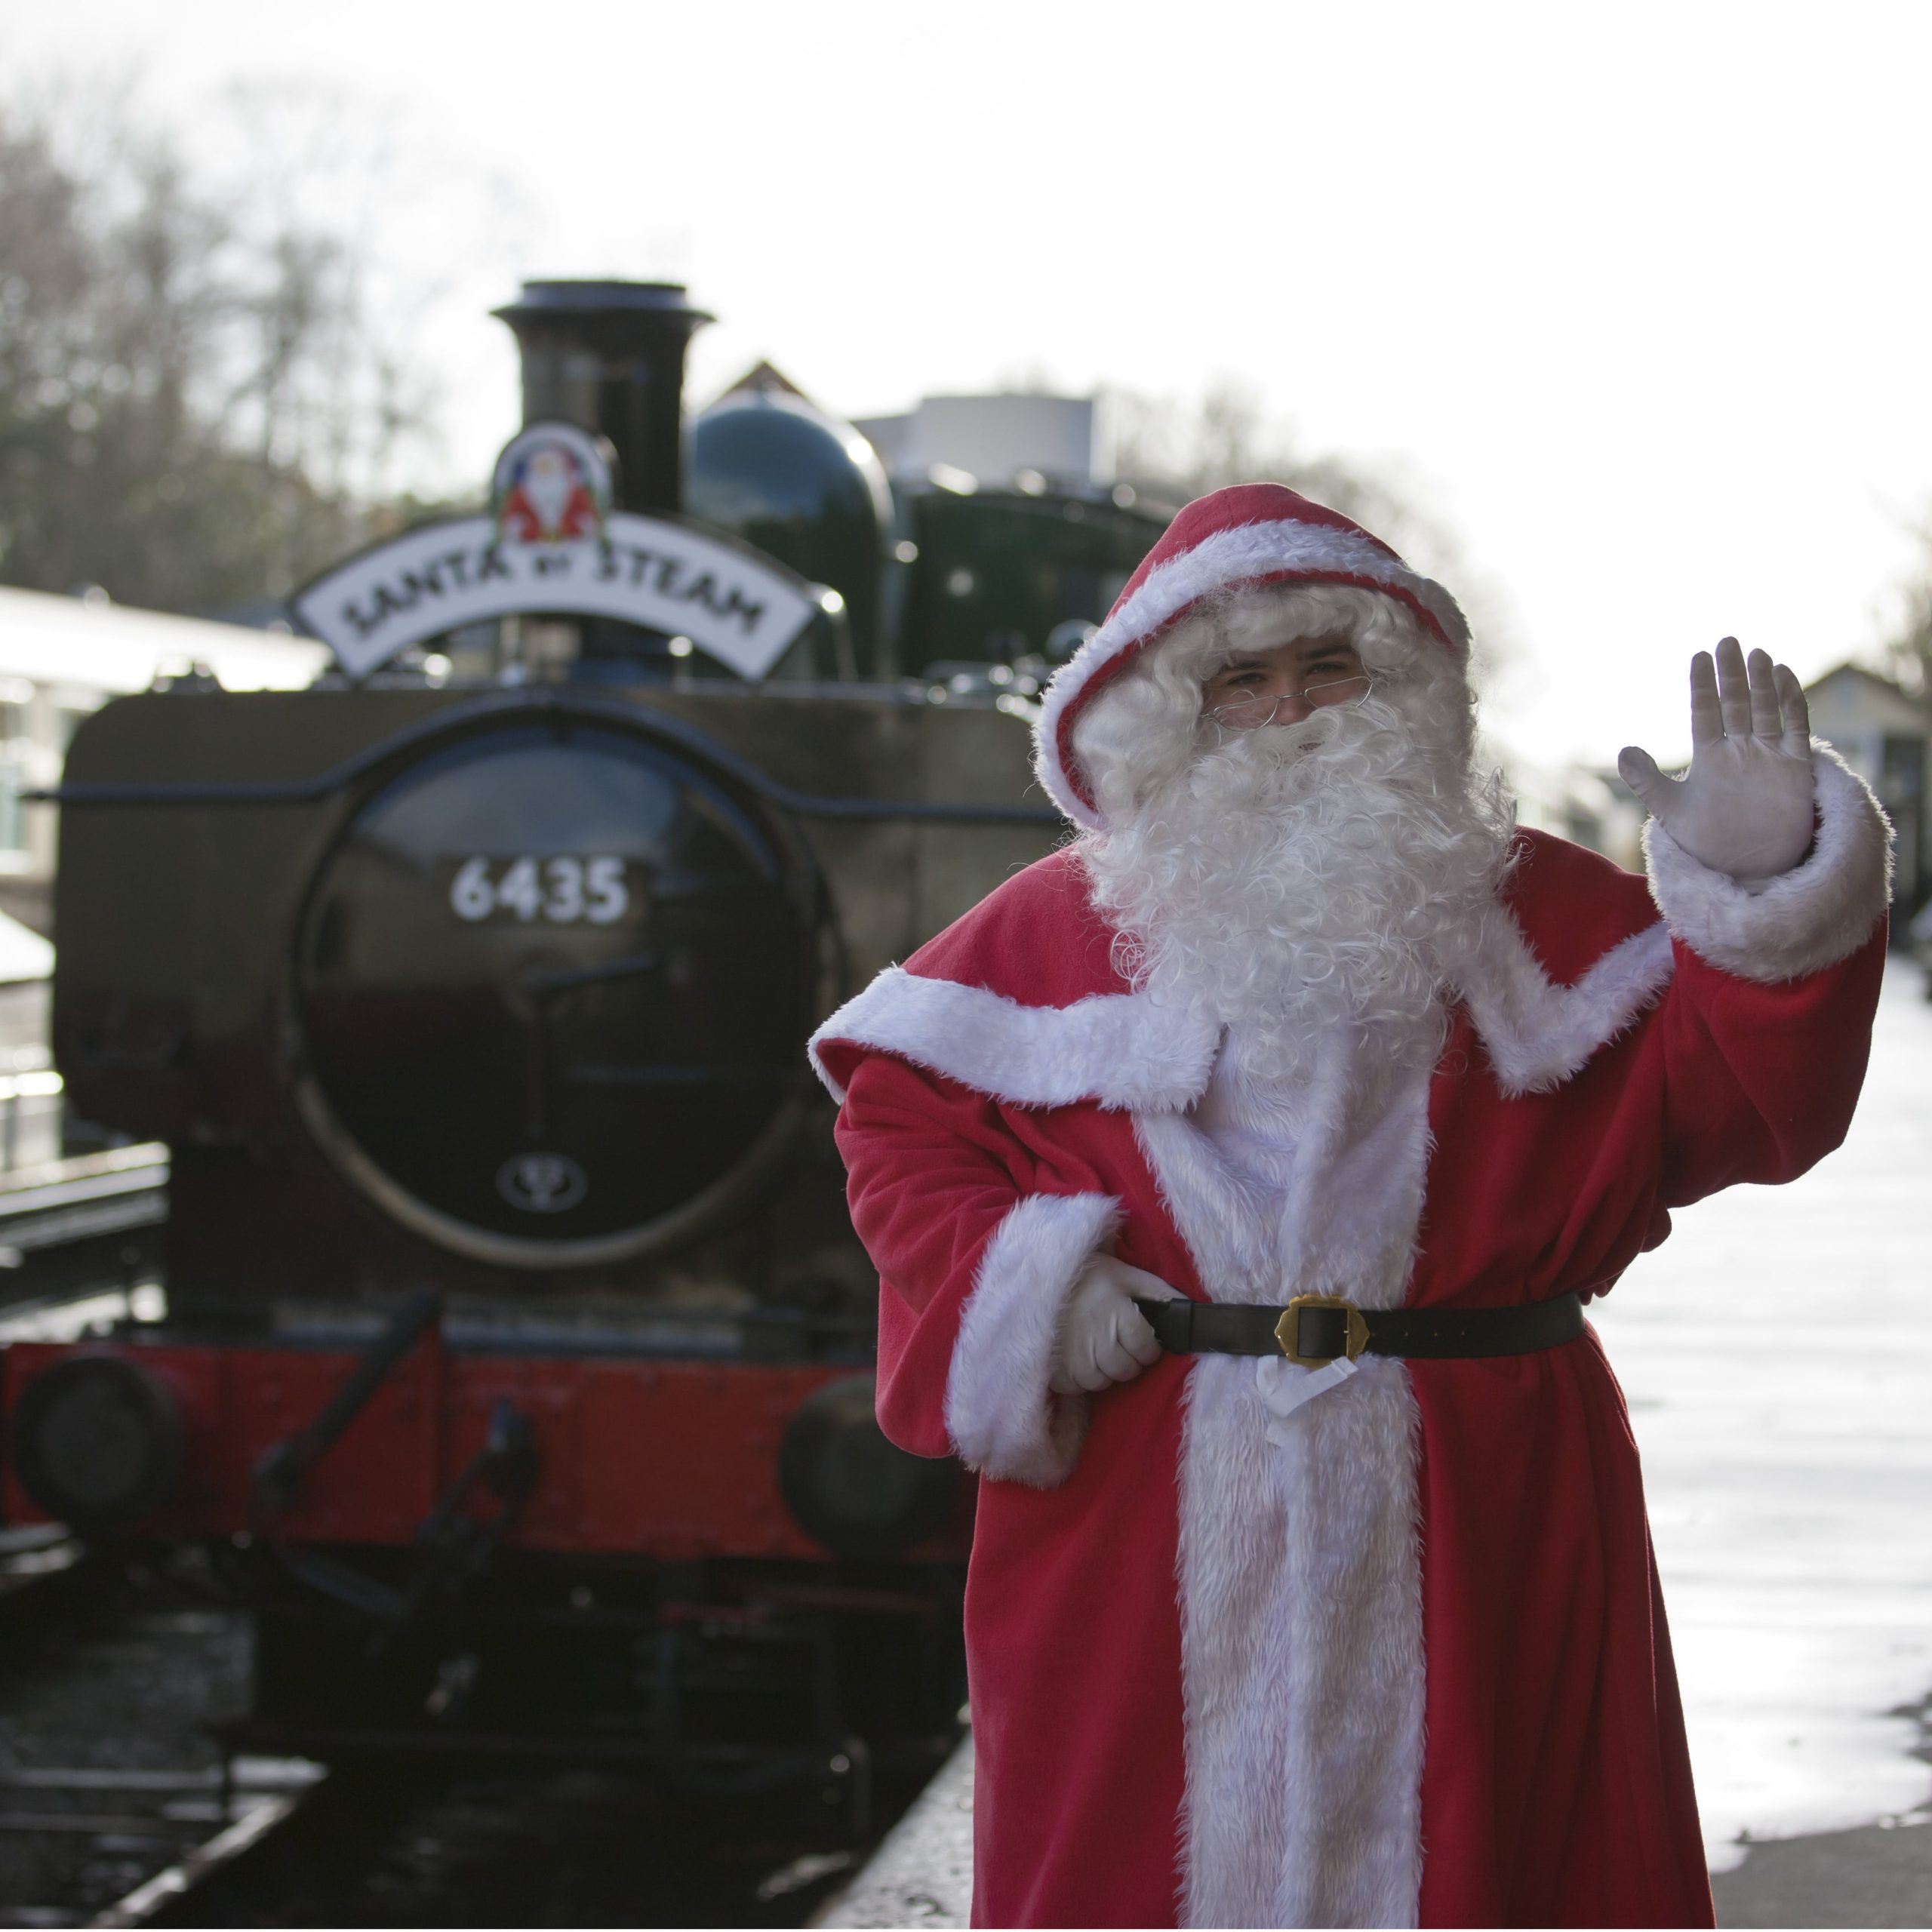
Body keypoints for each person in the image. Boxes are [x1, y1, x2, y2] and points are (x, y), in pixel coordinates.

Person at [808, 484, 1891, 1929]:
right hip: (1138, 1519)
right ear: (1169, 717)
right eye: (1241, 681)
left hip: (1492, 1501)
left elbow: (1750, 1110)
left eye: (1332, 667)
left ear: (1407, 690)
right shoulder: (1049, 929)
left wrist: (1766, 897)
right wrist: (1032, 1283)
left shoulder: (1544, 916)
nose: (1292, 711)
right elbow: (901, 1123)